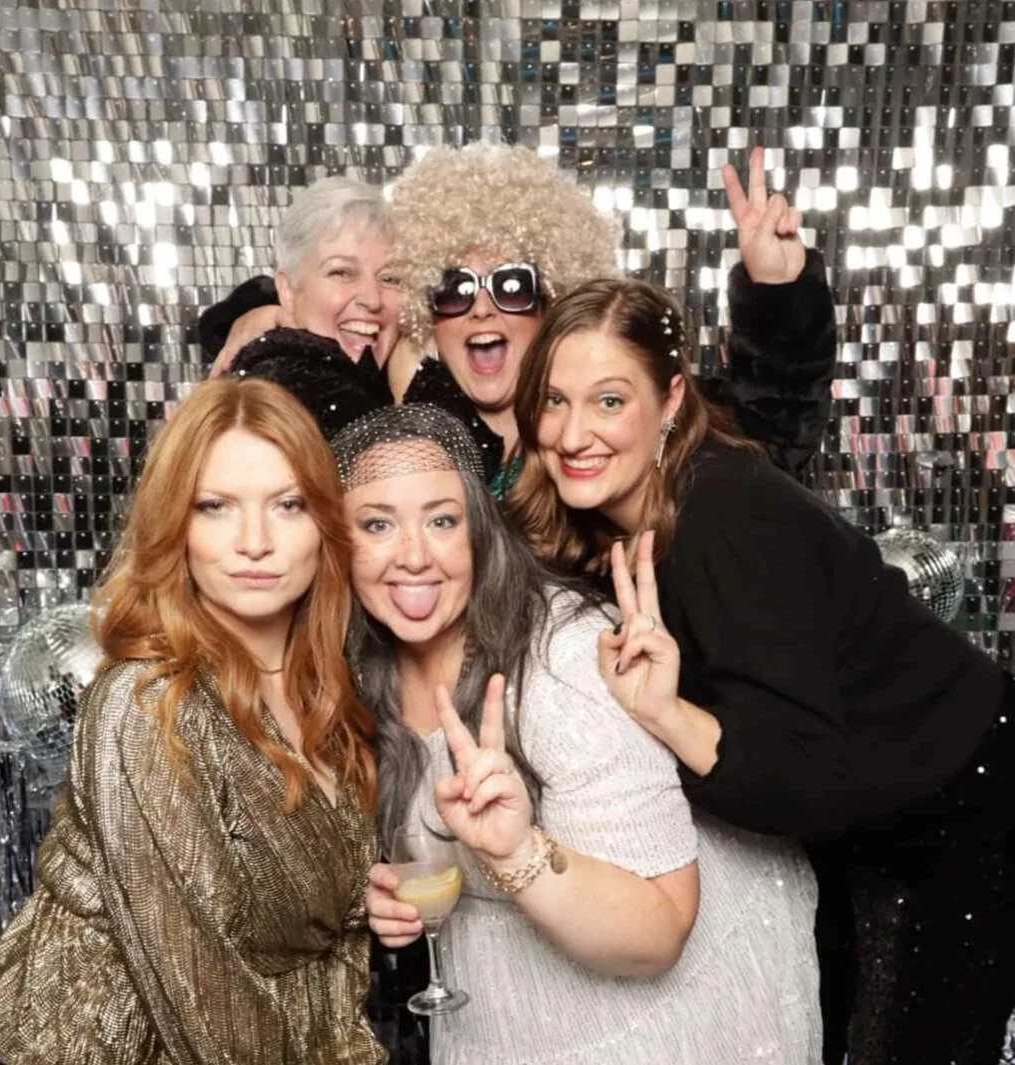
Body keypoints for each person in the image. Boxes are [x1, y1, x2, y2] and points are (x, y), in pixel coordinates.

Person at [507, 276, 1015, 1065]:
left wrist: (667, 713)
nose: (573, 434)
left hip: (955, 806)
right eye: (553, 400)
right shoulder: (623, 508)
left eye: (608, 400)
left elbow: (810, 772)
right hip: (862, 818)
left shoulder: (724, 521)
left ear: (670, 400)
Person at [332, 402, 821, 1065]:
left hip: (652, 1022)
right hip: (499, 1007)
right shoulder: (354, 670)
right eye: (377, 524)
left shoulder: (564, 662)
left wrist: (516, 854)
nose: (413, 556)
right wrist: (380, 898)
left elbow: (658, 933)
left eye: (442, 520)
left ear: (480, 532)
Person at [0, 379, 384, 1065]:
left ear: (324, 523)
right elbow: (198, 981)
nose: (254, 542)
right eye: (215, 507)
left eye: (287, 505)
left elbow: (313, 926)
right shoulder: (145, 702)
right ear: (176, 525)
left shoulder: (328, 688)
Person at [203, 144, 837, 491]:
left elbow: (769, 438)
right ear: (427, 312)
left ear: (552, 299)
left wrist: (777, 291)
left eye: (512, 285)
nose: (481, 306)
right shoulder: (396, 421)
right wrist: (261, 311)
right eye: (453, 288)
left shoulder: (612, 425)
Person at [202, 175, 406, 387]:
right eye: (342, 273)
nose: (372, 300)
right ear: (287, 290)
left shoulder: (419, 374)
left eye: (390, 279)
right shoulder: (253, 400)